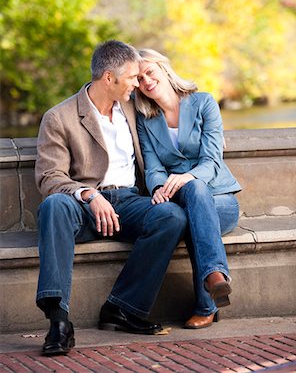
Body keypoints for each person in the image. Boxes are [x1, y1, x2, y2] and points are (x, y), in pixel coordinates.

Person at [35, 40, 188, 356]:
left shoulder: (133, 108)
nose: (138, 83)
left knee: (171, 216)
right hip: (82, 206)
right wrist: (89, 195)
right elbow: (50, 177)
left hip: (131, 203)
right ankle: (58, 319)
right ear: (109, 78)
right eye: (132, 77)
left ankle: (123, 309)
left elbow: (176, 108)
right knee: (54, 205)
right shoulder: (59, 117)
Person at [135, 48, 241, 330]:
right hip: (182, 198)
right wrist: (158, 186)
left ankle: (207, 303)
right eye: (140, 77)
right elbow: (153, 165)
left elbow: (211, 161)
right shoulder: (146, 119)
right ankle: (214, 278)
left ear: (164, 69)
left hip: (221, 200)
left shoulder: (204, 103)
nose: (146, 81)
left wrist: (186, 177)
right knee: (194, 204)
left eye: (150, 72)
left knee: (196, 196)